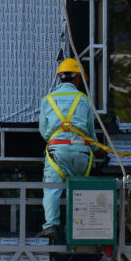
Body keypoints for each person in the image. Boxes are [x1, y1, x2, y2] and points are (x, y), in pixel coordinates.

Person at [37, 58, 97, 239]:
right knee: (78, 191)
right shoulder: (84, 100)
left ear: (60, 78)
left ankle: (51, 226)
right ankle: (78, 229)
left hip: (57, 152)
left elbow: (45, 132)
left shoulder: (48, 100)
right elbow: (91, 134)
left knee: (52, 189)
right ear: (77, 79)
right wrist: (98, 149)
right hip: (81, 152)